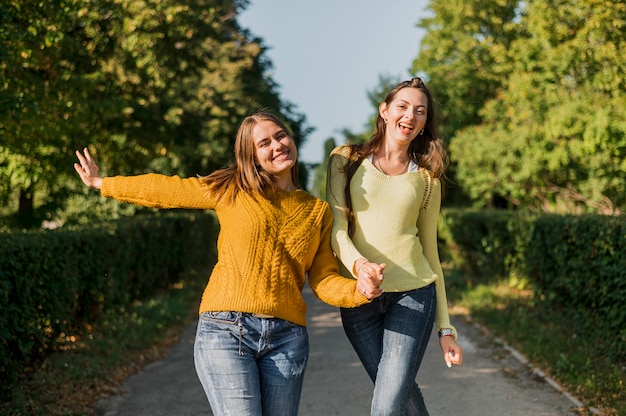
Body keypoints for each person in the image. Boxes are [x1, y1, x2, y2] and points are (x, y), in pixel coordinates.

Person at [73, 111, 383, 416]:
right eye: (264, 143)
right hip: (226, 330)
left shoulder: (317, 212)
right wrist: (104, 183)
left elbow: (324, 279)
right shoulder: (232, 189)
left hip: (287, 340)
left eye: (280, 135)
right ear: (252, 157)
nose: (277, 145)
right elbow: (168, 190)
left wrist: (360, 289)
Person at [326, 78, 463, 415]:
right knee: (398, 392)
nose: (410, 115)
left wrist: (446, 329)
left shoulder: (427, 178)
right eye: (403, 106)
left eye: (420, 111)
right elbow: (338, 230)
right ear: (384, 111)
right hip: (359, 298)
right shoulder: (344, 159)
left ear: (424, 123)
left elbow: (431, 254)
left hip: (413, 295)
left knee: (387, 404)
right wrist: (361, 268)